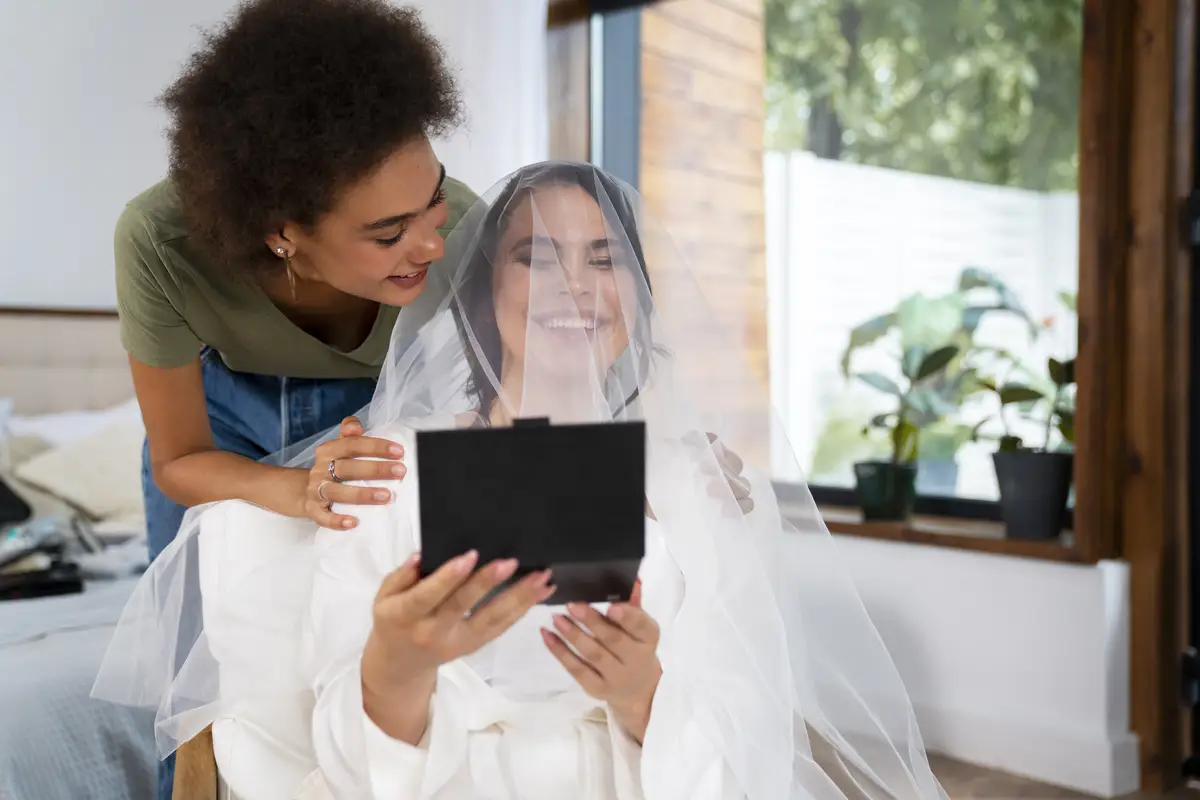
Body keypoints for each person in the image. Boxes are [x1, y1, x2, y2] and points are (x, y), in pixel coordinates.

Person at [95, 163, 948, 800]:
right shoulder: (390, 471)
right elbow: (346, 772)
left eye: (605, 259)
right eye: (536, 258)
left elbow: (754, 741)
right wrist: (396, 668)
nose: (575, 286)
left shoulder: (697, 486)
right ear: (478, 296)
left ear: (639, 300)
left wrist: (646, 696)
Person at [114, 1, 470, 795]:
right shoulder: (159, 241)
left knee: (361, 650)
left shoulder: (470, 237)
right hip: (224, 422)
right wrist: (289, 487)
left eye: (434, 198)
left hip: (391, 410)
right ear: (283, 233)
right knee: (200, 688)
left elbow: (567, 361)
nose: (432, 244)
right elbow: (177, 455)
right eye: (388, 233)